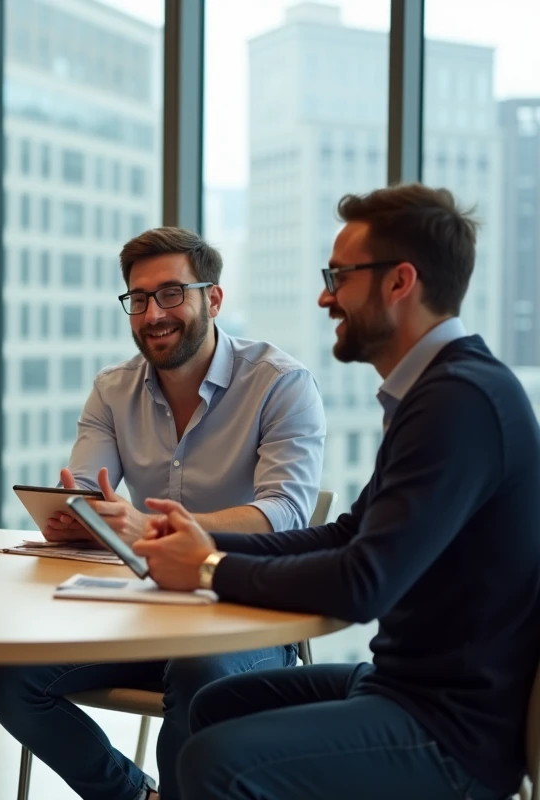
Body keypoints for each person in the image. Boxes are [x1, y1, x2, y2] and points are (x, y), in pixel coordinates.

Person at [133, 185, 540, 800]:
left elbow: (362, 584)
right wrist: (204, 541)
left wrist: (210, 568)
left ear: (400, 282)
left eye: (340, 276)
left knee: (215, 761)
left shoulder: (460, 402)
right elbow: (350, 535)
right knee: (210, 710)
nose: (326, 296)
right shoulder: (435, 391)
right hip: (398, 684)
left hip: (451, 730)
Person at [0, 227, 327, 800]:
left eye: (171, 294)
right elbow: (91, 492)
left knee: (199, 674)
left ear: (212, 299)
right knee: (7, 679)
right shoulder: (112, 391)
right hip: (145, 610)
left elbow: (284, 513)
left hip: (243, 612)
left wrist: (157, 529)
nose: (152, 314)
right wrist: (76, 517)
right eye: (138, 299)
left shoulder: (281, 385)